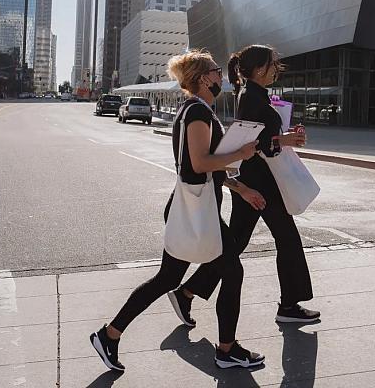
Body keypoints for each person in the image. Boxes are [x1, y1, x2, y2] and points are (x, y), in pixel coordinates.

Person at [90, 49, 266, 373]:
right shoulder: (198, 113)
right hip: (195, 211)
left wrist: (243, 189)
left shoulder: (197, 110)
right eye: (215, 71)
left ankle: (109, 335)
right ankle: (227, 351)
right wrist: (240, 151)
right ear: (203, 79)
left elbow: (209, 171)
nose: (220, 77)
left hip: (191, 208)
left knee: (166, 278)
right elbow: (199, 165)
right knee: (232, 271)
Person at [170, 44, 320, 327]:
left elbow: (262, 139)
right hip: (258, 183)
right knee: (285, 239)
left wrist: (285, 136)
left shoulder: (256, 95)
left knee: (235, 244)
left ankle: (187, 292)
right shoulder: (251, 96)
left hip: (256, 180)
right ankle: (289, 305)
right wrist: (283, 140)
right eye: (274, 63)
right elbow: (253, 144)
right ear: (261, 68)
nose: (278, 67)